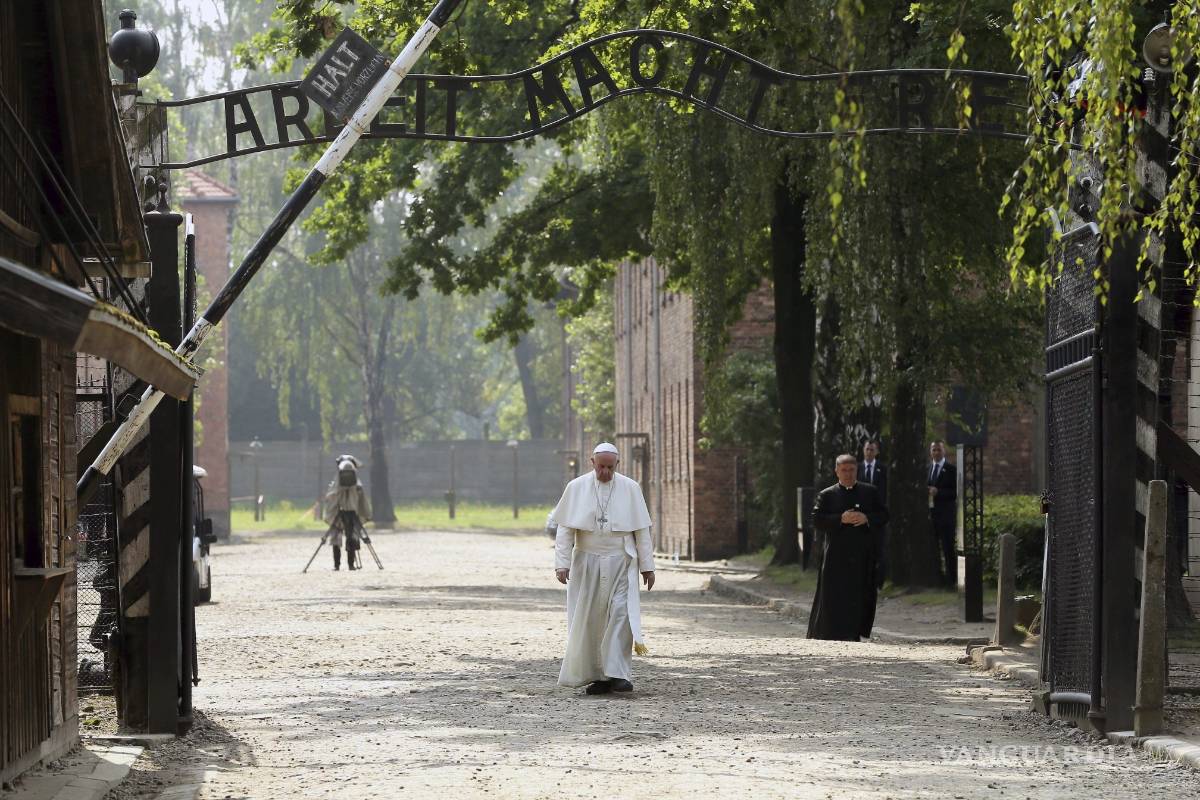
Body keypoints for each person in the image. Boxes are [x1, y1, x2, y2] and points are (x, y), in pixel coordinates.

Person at [552, 442, 655, 694]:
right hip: (587, 562)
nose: (605, 472)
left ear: (617, 465)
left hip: (621, 561)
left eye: (610, 467)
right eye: (601, 467)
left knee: (621, 615)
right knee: (591, 620)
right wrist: (562, 564)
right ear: (592, 463)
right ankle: (598, 676)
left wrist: (647, 567)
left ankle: (618, 674)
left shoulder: (630, 488)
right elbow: (565, 530)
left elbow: (641, 531)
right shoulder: (576, 488)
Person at [807, 453, 890, 641]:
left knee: (860, 593)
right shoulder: (827, 495)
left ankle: (856, 631)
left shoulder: (870, 492)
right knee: (834, 594)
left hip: (862, 553)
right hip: (836, 554)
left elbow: (884, 515)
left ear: (857, 470)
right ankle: (830, 631)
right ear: (837, 471)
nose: (848, 474)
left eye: (851, 470)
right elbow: (816, 520)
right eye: (844, 470)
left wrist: (866, 518)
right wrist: (840, 519)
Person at [323, 455, 372, 571]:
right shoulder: (354, 483)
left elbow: (332, 497)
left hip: (346, 513)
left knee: (348, 536)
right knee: (344, 536)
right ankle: (346, 565)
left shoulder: (344, 482)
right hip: (346, 513)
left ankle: (340, 565)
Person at [928, 441, 958, 586]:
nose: (936, 453)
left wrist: (939, 492)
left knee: (948, 547)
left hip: (946, 515)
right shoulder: (927, 469)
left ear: (943, 451)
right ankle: (936, 578)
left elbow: (955, 492)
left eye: (939, 450)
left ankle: (951, 579)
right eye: (934, 450)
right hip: (931, 514)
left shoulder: (951, 469)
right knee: (932, 547)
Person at [859, 440, 888, 589]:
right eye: (867, 449)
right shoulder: (858, 469)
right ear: (863, 451)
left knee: (880, 549)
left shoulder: (883, 469)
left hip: (877, 516)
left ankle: (879, 582)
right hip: (861, 515)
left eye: (872, 450)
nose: (869, 452)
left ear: (876, 452)